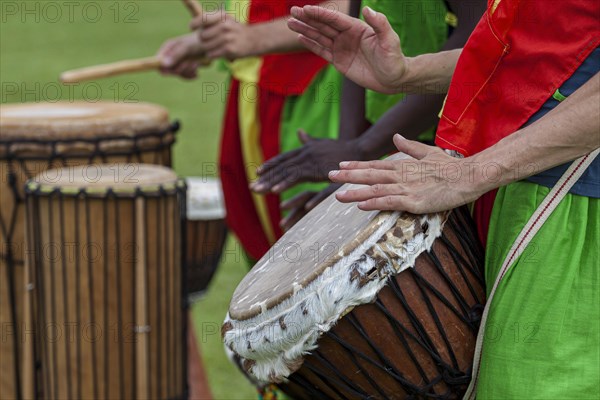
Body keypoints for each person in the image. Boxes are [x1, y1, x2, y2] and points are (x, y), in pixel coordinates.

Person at [288, 2, 599, 398]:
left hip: (572, 200)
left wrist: (475, 173)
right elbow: (536, 47)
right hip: (505, 179)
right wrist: (408, 72)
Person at [252, 0, 486, 230]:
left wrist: (362, 148)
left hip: (456, 138)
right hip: (391, 136)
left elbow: (477, 45)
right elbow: (354, 45)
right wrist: (349, 167)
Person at [158, 0, 351, 262]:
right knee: (265, 256)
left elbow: (368, 5)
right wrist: (213, 41)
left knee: (319, 256)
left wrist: (253, 36)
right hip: (251, 84)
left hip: (320, 89)